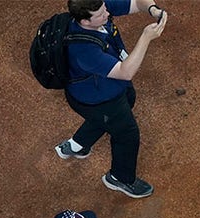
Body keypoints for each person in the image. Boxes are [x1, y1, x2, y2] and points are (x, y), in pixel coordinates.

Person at [56, 0, 169, 198]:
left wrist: (152, 9)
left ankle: (78, 144)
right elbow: (125, 72)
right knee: (127, 134)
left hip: (111, 89)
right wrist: (145, 37)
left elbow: (136, 2)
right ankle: (119, 178)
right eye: (100, 15)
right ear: (84, 21)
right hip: (97, 100)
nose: (107, 14)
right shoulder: (83, 50)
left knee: (128, 100)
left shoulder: (98, 7)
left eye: (105, 9)